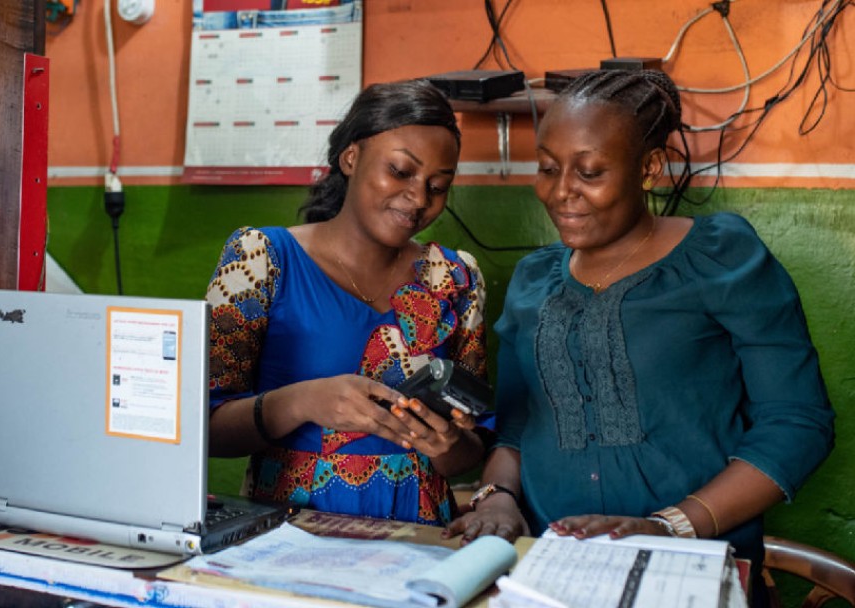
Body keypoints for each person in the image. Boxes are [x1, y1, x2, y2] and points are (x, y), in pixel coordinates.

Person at [445, 69, 834, 601]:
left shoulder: (722, 259)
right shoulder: (535, 281)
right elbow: (517, 426)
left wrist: (672, 524)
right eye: (548, 168)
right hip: (550, 574)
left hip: (689, 572)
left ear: (649, 168)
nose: (562, 193)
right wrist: (496, 497)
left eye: (590, 172)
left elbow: (797, 422)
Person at [205, 79, 491, 526]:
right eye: (400, 171)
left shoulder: (454, 278)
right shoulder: (261, 259)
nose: (419, 198)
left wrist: (447, 445)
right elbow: (204, 428)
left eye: (438, 185)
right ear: (351, 157)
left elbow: (473, 448)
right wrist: (301, 402)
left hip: (418, 536)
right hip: (291, 533)